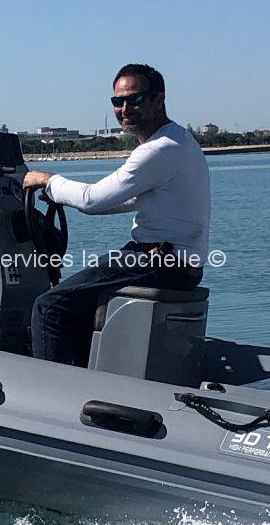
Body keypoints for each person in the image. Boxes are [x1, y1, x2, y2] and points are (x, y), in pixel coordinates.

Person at [24, 63, 210, 366]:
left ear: (158, 99)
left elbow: (92, 200)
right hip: (179, 262)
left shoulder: (157, 150)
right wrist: (54, 194)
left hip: (159, 262)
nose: (125, 108)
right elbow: (128, 200)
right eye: (118, 101)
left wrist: (48, 181)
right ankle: (88, 379)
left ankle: (53, 392)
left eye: (135, 99)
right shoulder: (180, 140)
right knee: (79, 304)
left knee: (50, 305)